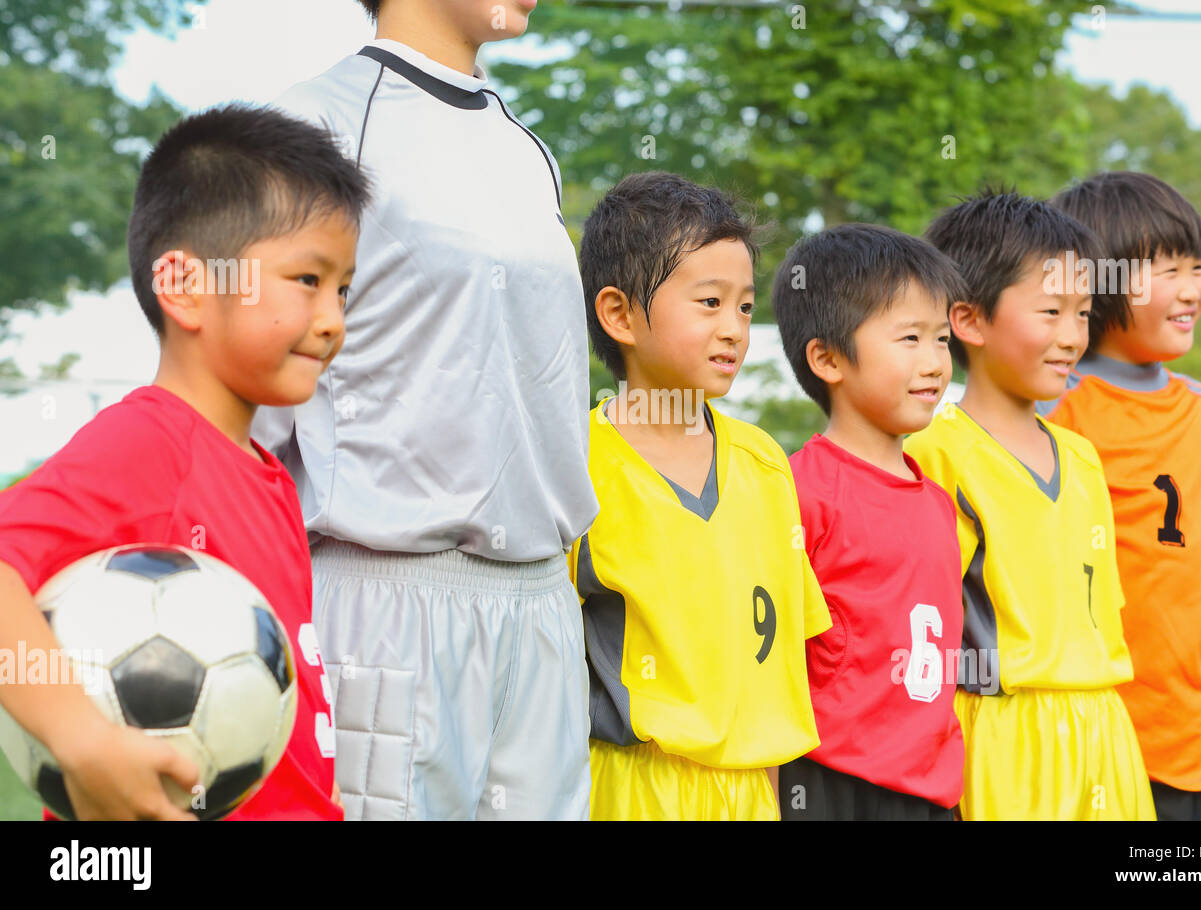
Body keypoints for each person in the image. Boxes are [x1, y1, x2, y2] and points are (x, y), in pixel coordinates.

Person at [250, 0, 599, 819]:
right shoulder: (314, 124)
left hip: (544, 603)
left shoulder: (523, 145)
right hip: (388, 603)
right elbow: (251, 405)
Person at [0, 104, 369, 820]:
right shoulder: (148, 444)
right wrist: (83, 741)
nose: (333, 320)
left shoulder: (265, 475)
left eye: (343, 289)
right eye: (306, 280)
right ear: (187, 288)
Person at [570, 171, 831, 820]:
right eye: (709, 303)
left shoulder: (766, 463)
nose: (735, 328)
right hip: (630, 787)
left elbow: (778, 647)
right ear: (619, 314)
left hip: (750, 791)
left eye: (745, 306)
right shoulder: (575, 464)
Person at [1044, 171, 1201, 821]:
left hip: (1198, 760)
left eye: (1196, 267)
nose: (1190, 291)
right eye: (1163, 271)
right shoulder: (1050, 413)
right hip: (1084, 757)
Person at [904, 189, 1156, 820]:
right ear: (969, 320)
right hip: (1002, 736)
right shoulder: (934, 455)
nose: (1073, 335)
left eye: (1083, 313)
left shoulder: (1082, 457)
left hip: (1105, 733)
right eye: (1050, 311)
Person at [771, 223, 966, 820]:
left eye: (941, 339)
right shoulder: (797, 491)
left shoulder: (938, 498)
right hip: (833, 784)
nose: (935, 362)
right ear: (827, 357)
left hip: (933, 790)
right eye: (909, 337)